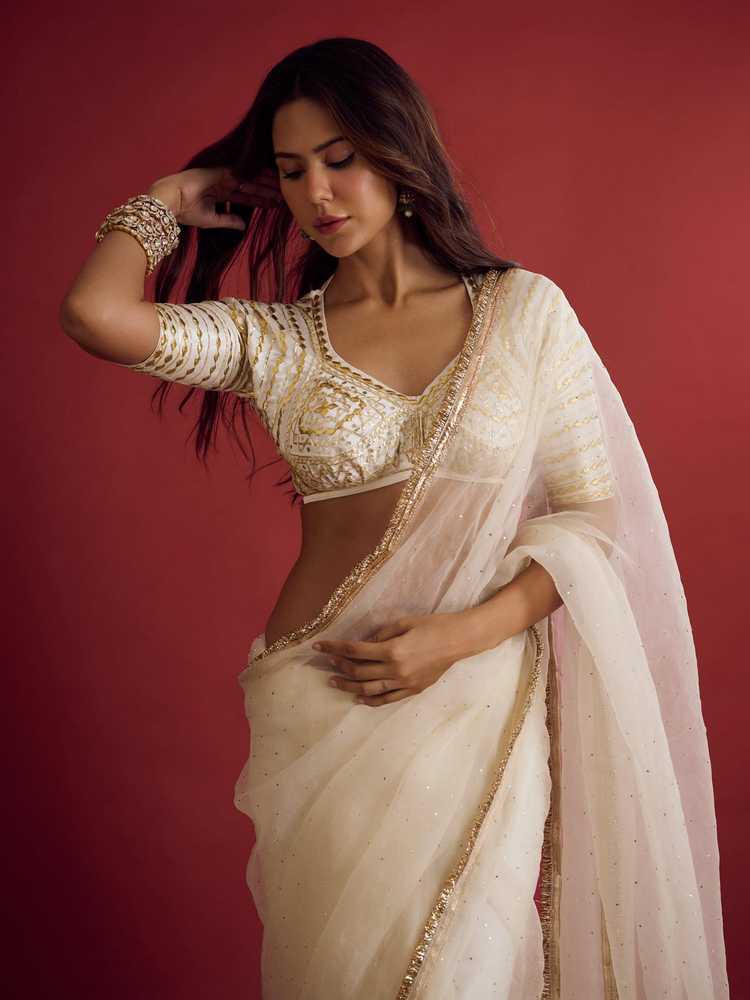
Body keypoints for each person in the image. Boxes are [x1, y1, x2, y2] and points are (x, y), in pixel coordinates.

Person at [59, 36, 729, 1000]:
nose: (318, 193)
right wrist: (163, 201)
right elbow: (95, 315)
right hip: (326, 700)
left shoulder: (524, 312)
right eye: (292, 170)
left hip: (473, 695)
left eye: (342, 159)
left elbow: (593, 517)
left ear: (399, 153)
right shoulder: (275, 341)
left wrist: (460, 636)